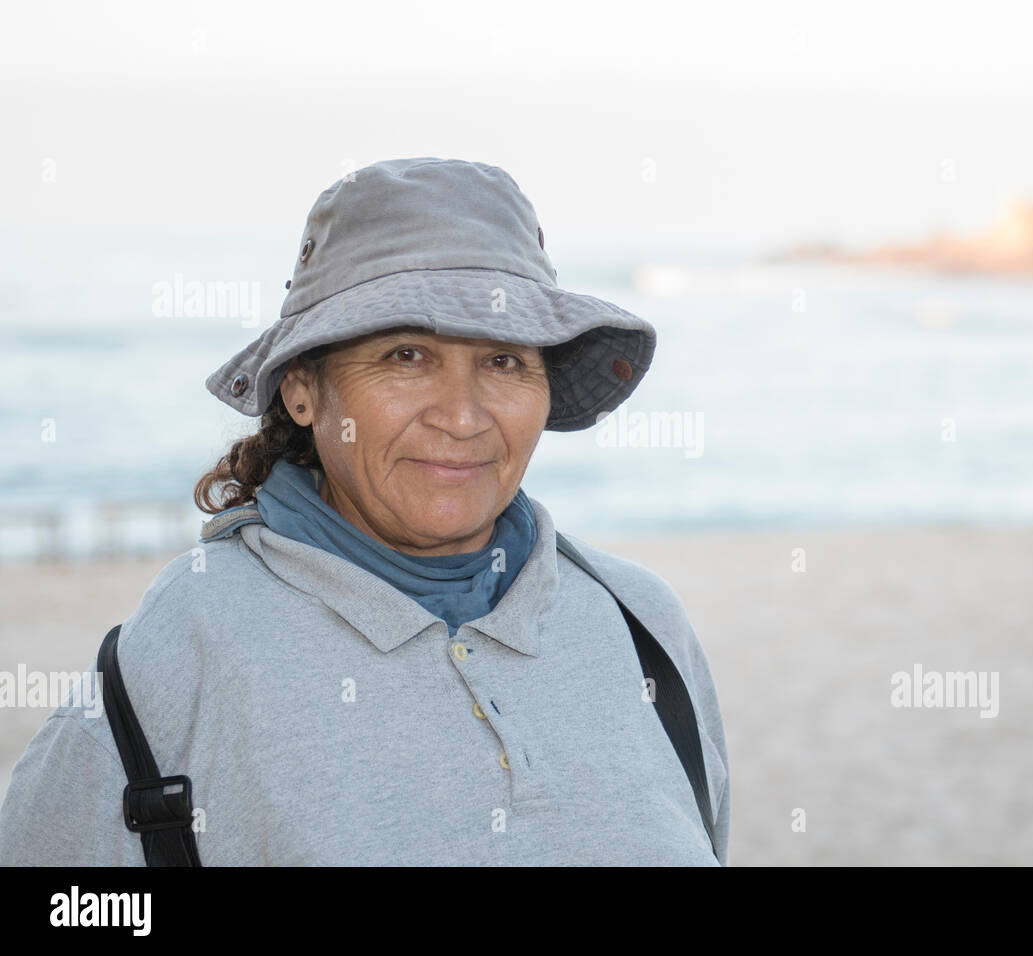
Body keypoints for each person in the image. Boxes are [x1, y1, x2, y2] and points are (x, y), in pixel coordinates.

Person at [0, 157, 730, 866]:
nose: (463, 416)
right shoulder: (180, 650)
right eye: (407, 355)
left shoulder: (640, 624)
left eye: (504, 360)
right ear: (302, 389)